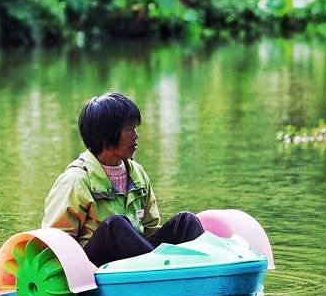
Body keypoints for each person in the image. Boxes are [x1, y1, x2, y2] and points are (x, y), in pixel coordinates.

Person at [41, 92, 204, 266]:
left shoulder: (137, 173)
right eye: (130, 130)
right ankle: (160, 272)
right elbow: (56, 243)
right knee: (115, 226)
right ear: (107, 135)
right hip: (94, 267)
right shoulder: (75, 180)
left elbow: (149, 230)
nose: (136, 136)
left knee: (186, 222)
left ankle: (208, 270)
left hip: (136, 260)